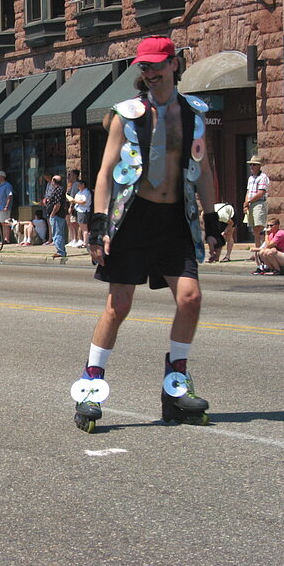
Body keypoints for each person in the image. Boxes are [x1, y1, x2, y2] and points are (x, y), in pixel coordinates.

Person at [74, 35, 220, 432]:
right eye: (144, 66)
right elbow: (105, 172)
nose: (150, 72)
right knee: (118, 306)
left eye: (157, 65)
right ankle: (91, 384)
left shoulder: (193, 114)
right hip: (132, 220)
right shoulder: (128, 114)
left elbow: (204, 171)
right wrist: (98, 224)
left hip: (175, 222)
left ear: (174, 64)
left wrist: (215, 222)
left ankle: (176, 383)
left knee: (190, 298)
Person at [243, 155, 269, 254]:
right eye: (250, 165)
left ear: (259, 166)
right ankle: (257, 252)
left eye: (254, 165)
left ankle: (263, 250)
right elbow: (248, 192)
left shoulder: (263, 177)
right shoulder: (250, 178)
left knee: (260, 227)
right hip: (251, 204)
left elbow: (261, 192)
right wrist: (246, 204)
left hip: (259, 203)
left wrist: (249, 201)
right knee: (255, 230)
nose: (251, 167)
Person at [46, 175, 67, 258]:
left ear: (54, 181)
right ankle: (61, 250)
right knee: (58, 232)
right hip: (58, 215)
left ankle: (60, 251)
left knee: (57, 233)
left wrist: (52, 214)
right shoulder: (58, 189)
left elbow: (57, 204)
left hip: (57, 215)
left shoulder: (59, 190)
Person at [0, 171, 13, 243]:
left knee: (6, 223)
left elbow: (9, 196)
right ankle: (4, 238)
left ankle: (7, 239)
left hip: (4, 207)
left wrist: (6, 206)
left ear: (2, 177)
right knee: (2, 223)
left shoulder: (7, 185)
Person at [72, 179, 92, 248]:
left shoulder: (86, 192)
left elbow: (83, 202)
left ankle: (85, 243)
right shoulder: (80, 192)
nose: (78, 187)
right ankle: (84, 241)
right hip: (79, 210)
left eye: (79, 185)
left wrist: (75, 201)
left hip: (83, 211)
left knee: (84, 228)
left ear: (83, 185)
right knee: (81, 227)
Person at [65, 170, 81, 247]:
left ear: (75, 175)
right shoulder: (72, 184)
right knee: (72, 223)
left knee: (76, 223)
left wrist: (71, 206)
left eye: (70, 175)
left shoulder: (76, 184)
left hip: (76, 207)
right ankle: (74, 239)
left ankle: (78, 239)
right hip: (74, 206)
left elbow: (73, 197)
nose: (68, 177)